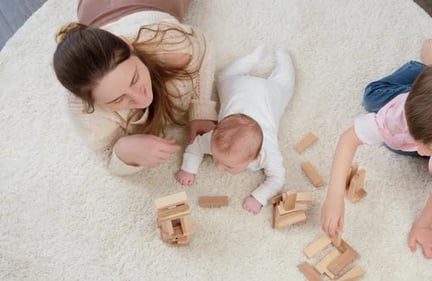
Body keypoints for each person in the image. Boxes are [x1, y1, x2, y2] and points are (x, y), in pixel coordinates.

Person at [320, 39, 432, 259]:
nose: (421, 152)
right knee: (371, 97)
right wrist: (334, 196)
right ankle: (428, 69)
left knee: (404, 148)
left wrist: (423, 226)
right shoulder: (403, 111)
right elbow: (349, 139)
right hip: (427, 97)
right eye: (418, 140)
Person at [52, 0, 217, 175]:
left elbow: (203, 48)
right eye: (117, 99)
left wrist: (201, 111)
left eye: (134, 78)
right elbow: (107, 156)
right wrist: (124, 151)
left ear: (128, 45)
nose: (141, 99)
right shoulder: (84, 110)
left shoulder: (169, 41)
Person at [175, 46, 296, 214]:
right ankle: (254, 57)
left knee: (285, 85)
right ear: (215, 131)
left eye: (229, 166)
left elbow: (277, 178)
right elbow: (195, 145)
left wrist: (258, 197)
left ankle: (283, 56)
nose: (218, 167)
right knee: (224, 77)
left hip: (268, 92)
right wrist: (188, 168)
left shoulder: (268, 153)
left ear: (256, 157)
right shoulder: (215, 139)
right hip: (239, 86)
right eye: (217, 159)